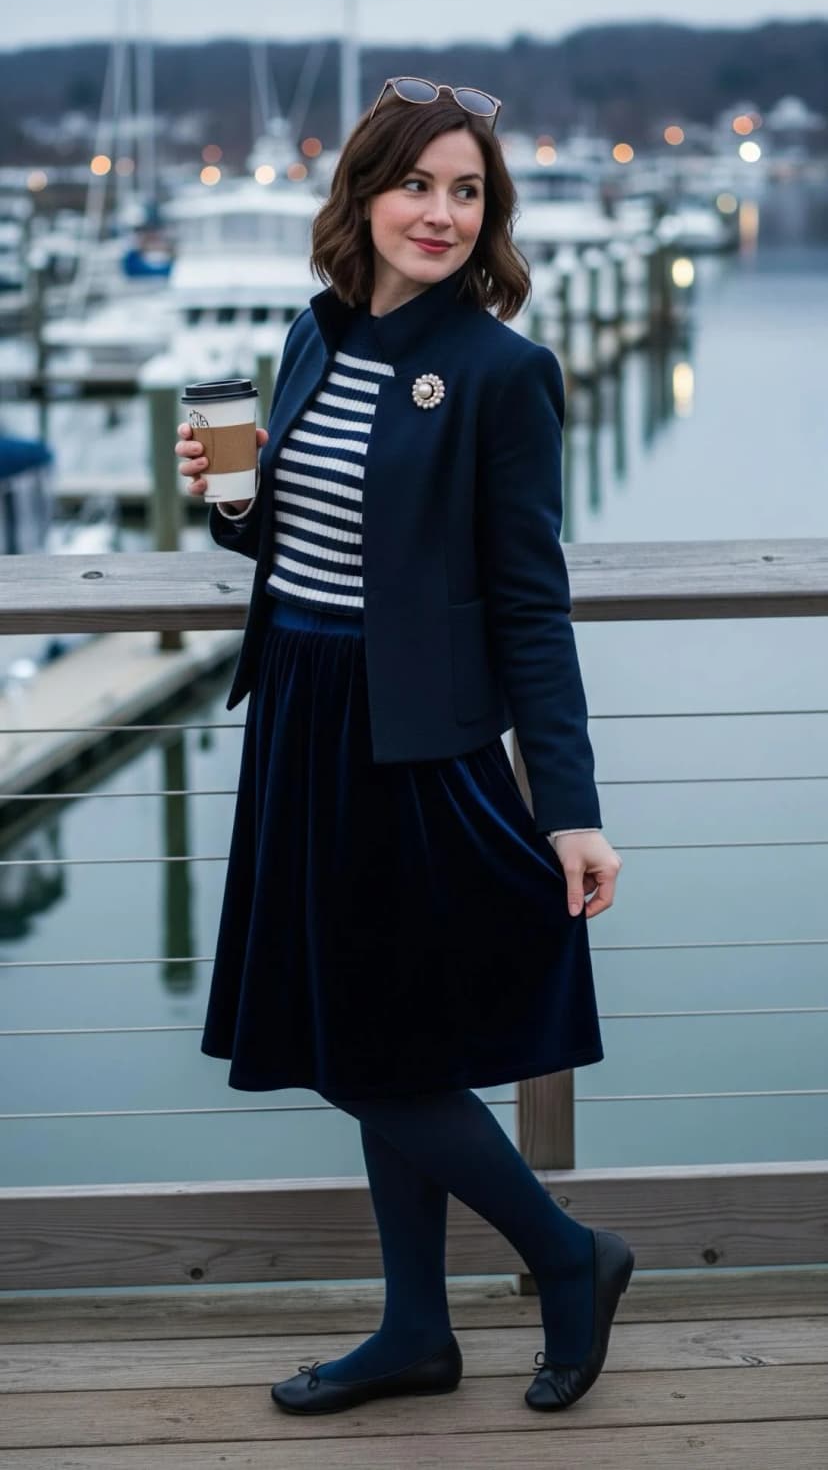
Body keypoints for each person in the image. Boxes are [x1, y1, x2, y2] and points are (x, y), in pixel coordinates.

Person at [176, 75, 632, 1418]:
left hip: (413, 741)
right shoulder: (311, 339)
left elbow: (531, 605)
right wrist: (228, 501)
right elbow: (298, 541)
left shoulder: (501, 371)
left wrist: (573, 806)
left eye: (467, 190)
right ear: (363, 193)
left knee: (369, 1047)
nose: (439, 212)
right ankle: (417, 1328)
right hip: (305, 716)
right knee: (388, 1040)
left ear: (488, 216)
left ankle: (569, 1252)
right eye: (416, 183)